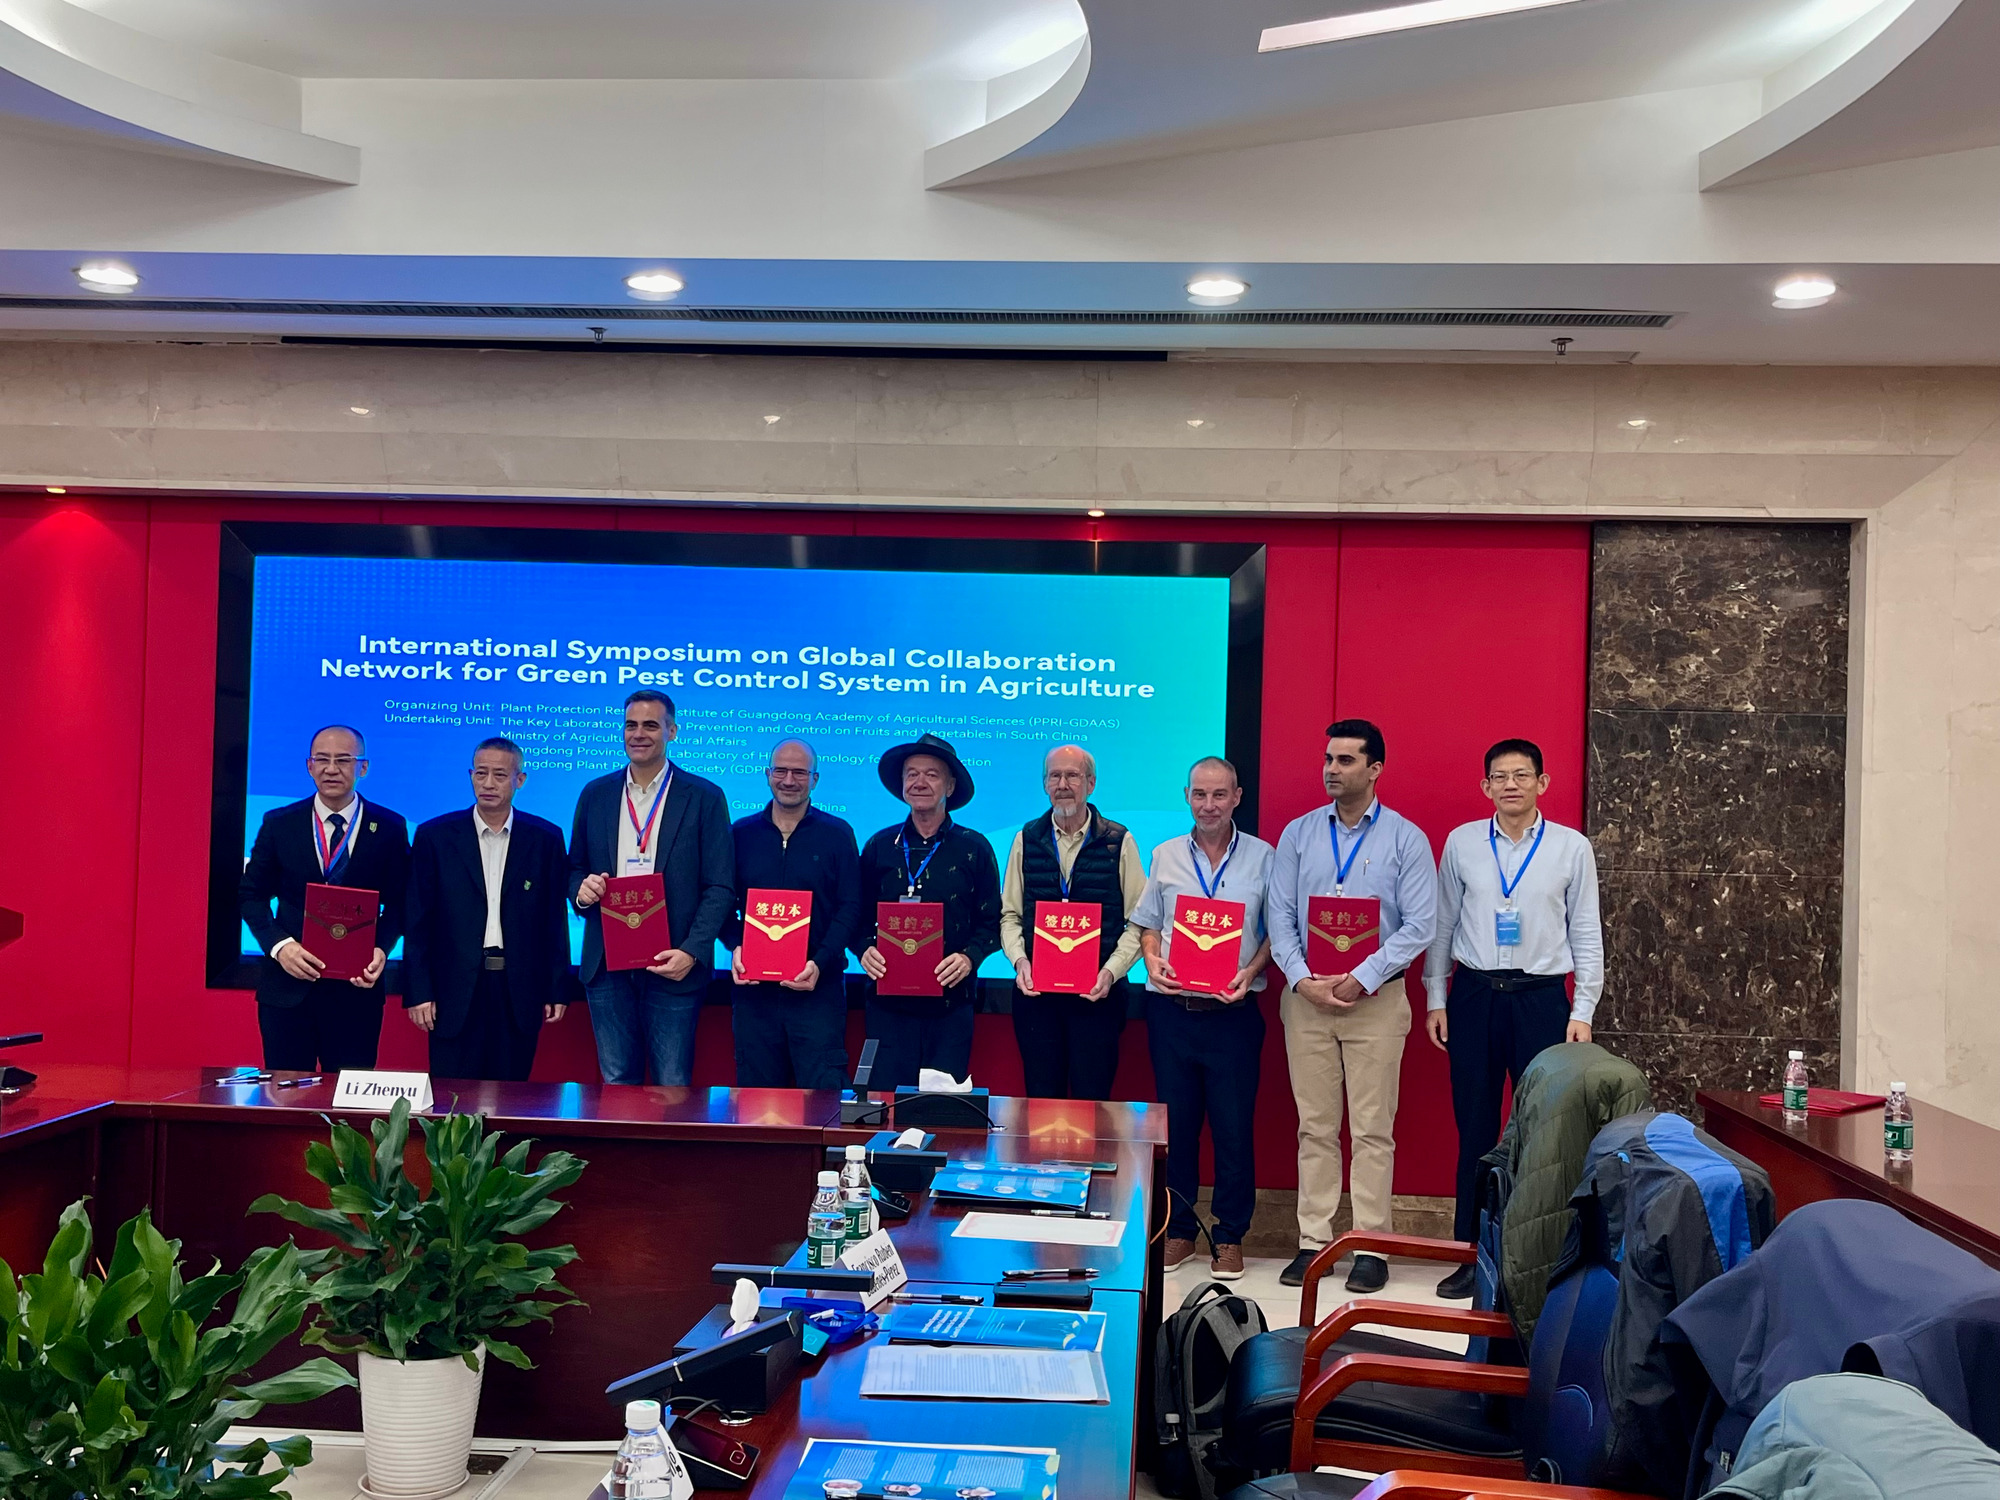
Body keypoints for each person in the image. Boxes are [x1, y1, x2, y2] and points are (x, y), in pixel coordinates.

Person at [1425, 736, 1602, 1297]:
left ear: (1542, 783)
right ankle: (1469, 1255)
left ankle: (1533, 1260)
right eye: (1499, 776)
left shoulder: (1571, 847)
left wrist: (1583, 1009)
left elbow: (1587, 931)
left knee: (1541, 1135)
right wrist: (1435, 997)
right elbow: (1442, 924)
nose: (1510, 785)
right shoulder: (1462, 843)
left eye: (1522, 775)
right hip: (1473, 996)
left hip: (1542, 1000)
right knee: (1475, 1131)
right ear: (1485, 786)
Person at [1267, 718, 1438, 1293]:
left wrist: (1361, 978)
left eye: (1345, 760)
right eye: (1328, 759)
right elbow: (1279, 916)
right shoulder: (1298, 834)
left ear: (1375, 768)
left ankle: (1370, 1246)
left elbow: (1420, 925)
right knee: (1314, 1127)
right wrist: (1301, 979)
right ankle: (1312, 1242)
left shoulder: (1406, 839)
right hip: (1308, 1000)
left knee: (1371, 1130)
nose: (1331, 770)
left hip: (1377, 1002)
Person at [1131, 755, 1274, 1281]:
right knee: (1179, 1128)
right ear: (1187, 797)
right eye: (1199, 794)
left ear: (1237, 797)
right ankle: (1181, 1230)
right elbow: (1149, 924)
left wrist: (1251, 971)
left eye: (1219, 795)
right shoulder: (1165, 854)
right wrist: (1152, 959)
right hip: (1172, 1013)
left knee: (1234, 1130)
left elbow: (1278, 932)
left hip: (1233, 1014)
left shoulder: (1264, 857)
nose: (1208, 805)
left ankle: (1230, 1236)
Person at [568, 690, 734, 1086]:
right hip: (607, 963)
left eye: (650, 725)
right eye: (630, 725)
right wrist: (580, 890)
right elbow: (574, 869)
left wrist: (692, 951)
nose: (638, 734)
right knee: (616, 1082)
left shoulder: (705, 797)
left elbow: (720, 886)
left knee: (671, 1085)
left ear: (672, 731)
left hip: (673, 961)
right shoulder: (596, 793)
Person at [238, 724, 410, 1078]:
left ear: (363, 767)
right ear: (309, 766)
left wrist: (381, 947)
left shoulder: (389, 828)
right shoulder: (279, 823)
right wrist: (280, 947)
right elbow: (250, 895)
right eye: (322, 760)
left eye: (343, 760)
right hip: (287, 989)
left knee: (349, 1098)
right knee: (285, 1096)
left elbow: (401, 902)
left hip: (356, 992)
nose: (332, 769)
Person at [402, 737, 574, 1081]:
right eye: (481, 774)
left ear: (519, 780)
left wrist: (557, 987)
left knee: (512, 1097)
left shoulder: (545, 839)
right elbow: (417, 919)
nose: (489, 783)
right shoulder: (435, 836)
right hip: (453, 989)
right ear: (471, 776)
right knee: (452, 1098)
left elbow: (554, 921)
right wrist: (419, 991)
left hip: (517, 988)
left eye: (500, 775)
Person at [999, 745, 1147, 1100]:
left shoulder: (1119, 841)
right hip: (1037, 998)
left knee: (1091, 1103)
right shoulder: (1026, 838)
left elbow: (1140, 922)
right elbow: (1010, 915)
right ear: (1044, 784)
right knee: (1040, 1101)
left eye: (1072, 776)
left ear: (1091, 784)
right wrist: (1020, 961)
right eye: (1055, 776)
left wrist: (1110, 972)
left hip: (1097, 997)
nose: (1063, 785)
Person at [856, 734, 1001, 1092]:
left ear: (950, 786)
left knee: (940, 1110)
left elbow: (994, 922)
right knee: (886, 1104)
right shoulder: (878, 846)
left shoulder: (975, 848)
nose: (920, 782)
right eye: (912, 774)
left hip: (950, 1006)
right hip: (888, 1006)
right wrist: (863, 949)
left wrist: (969, 957)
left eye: (932, 774)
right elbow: (854, 915)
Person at [723, 738, 864, 1089]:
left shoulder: (837, 834)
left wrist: (820, 961)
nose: (789, 780)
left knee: (823, 1100)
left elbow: (850, 906)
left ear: (815, 779)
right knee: (756, 1102)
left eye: (799, 772)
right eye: (781, 771)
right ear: (767, 774)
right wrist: (735, 945)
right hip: (755, 995)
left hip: (818, 991)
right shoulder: (740, 834)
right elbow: (720, 900)